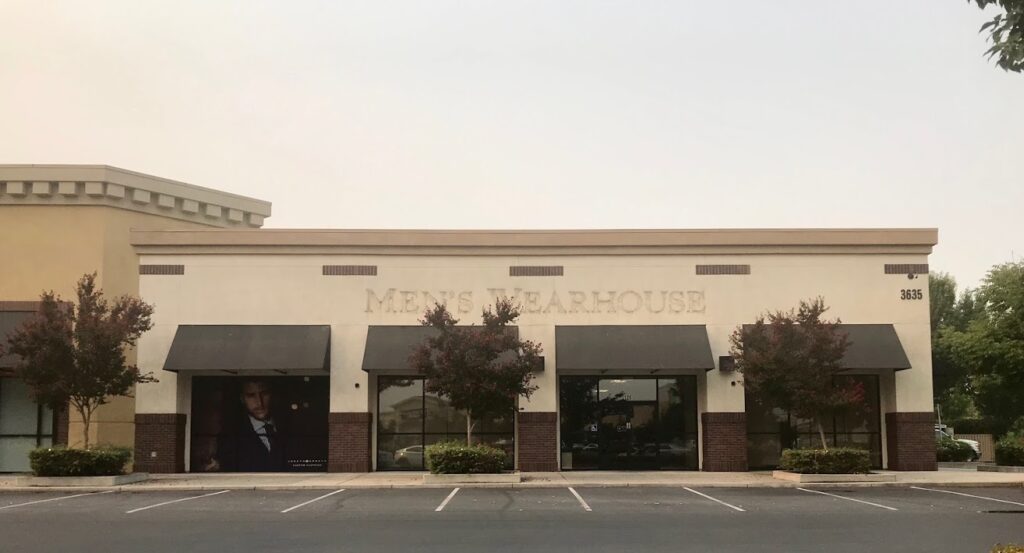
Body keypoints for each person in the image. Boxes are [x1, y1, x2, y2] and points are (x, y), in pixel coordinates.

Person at [206, 378, 288, 472]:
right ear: (242, 399)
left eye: (264, 393)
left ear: (272, 394)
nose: (259, 402)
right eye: (251, 395)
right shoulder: (229, 438)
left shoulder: (292, 427)